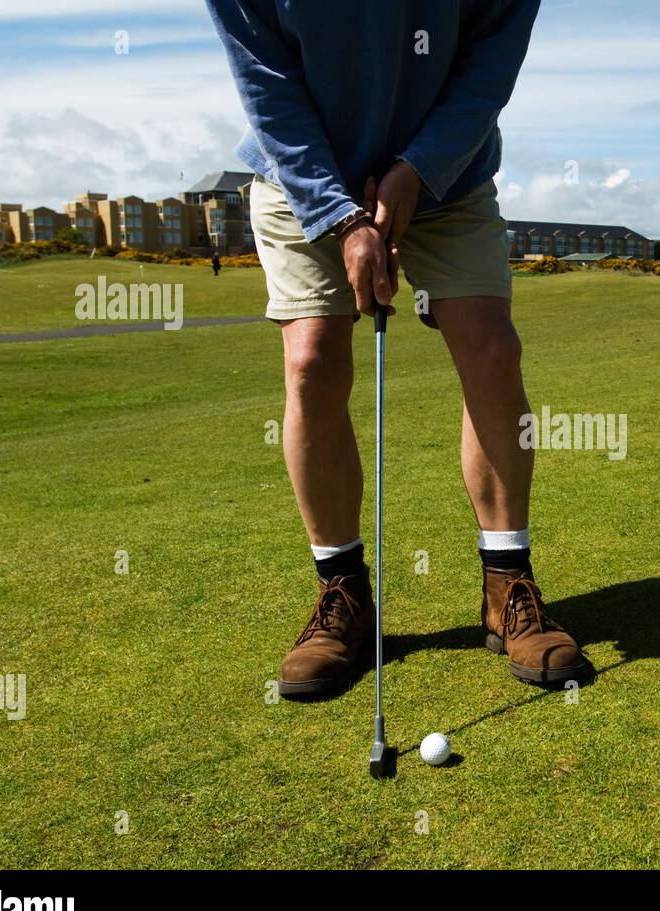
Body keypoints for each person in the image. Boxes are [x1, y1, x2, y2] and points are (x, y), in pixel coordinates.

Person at [206, 0, 591, 698]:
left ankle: (508, 587)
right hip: (300, 178)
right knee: (312, 361)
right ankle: (341, 595)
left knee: (492, 350)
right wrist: (340, 214)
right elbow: (266, 79)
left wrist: (417, 171)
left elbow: (486, 69)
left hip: (450, 178)